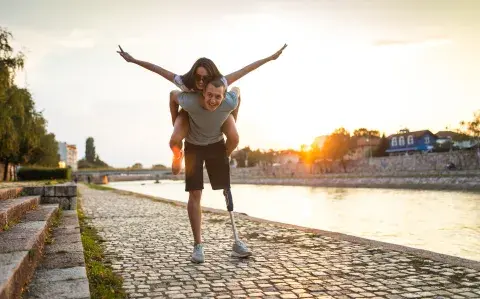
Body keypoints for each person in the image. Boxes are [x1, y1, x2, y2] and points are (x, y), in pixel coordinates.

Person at [117, 44, 287, 174]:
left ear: (211, 77)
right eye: (197, 76)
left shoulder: (221, 83)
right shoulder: (184, 82)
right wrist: (133, 60)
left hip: (217, 111)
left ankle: (221, 158)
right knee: (174, 140)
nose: (200, 81)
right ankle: (177, 155)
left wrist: (270, 58)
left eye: (205, 78)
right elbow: (158, 70)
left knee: (234, 137)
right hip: (188, 112)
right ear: (193, 75)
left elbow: (245, 70)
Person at [170, 77, 246, 263]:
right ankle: (198, 246)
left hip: (216, 145)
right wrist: (176, 121)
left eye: (217, 96)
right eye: (209, 95)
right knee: (195, 193)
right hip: (194, 146)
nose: (213, 100)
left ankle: (237, 242)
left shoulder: (229, 100)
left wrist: (231, 118)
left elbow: (238, 90)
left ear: (223, 96)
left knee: (225, 188)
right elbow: (172, 94)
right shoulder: (191, 101)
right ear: (203, 93)